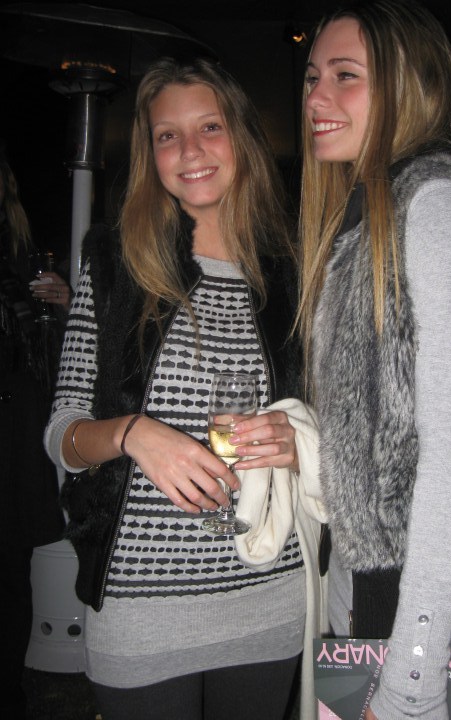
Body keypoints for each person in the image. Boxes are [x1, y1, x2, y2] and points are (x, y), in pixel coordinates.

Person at [44, 56, 325, 720]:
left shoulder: (293, 268)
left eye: (210, 127)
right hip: (141, 607)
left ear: (241, 137)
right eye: (167, 135)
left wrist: (298, 437)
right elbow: (62, 434)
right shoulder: (114, 259)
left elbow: (337, 417)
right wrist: (132, 434)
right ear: (151, 154)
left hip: (266, 590)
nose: (190, 150)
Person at [297, 1, 451, 718]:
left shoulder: (436, 203)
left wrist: (411, 677)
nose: (315, 97)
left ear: (412, 84)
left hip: (441, 620)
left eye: (345, 75)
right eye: (312, 77)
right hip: (374, 596)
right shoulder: (372, 211)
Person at [0, 143, 66, 718]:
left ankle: (7, 690)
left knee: (9, 570)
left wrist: (65, 306)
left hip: (15, 427)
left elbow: (55, 357)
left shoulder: (21, 254)